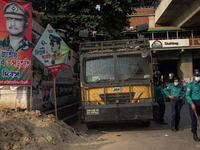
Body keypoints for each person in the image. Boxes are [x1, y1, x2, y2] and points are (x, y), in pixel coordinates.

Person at [185, 71, 200, 141]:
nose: (198, 77)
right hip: (194, 103)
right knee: (194, 120)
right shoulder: (190, 85)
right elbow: (187, 95)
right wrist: (192, 103)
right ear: (193, 77)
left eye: (199, 75)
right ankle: (195, 134)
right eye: (197, 76)